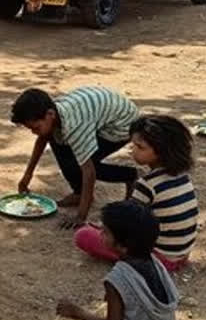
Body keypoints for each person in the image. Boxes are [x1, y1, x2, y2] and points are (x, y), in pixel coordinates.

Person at [73, 115, 198, 273]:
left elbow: (128, 225)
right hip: (182, 254)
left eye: (140, 147)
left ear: (160, 151)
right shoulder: (183, 177)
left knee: (84, 235)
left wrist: (105, 228)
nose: (133, 151)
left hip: (160, 259)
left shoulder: (147, 185)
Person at [11, 87, 140, 230]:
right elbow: (43, 138)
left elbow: (88, 171)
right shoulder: (55, 113)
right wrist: (27, 175)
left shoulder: (75, 126)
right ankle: (79, 192)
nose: (34, 132)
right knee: (57, 139)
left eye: (36, 127)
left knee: (79, 162)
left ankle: (130, 176)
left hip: (122, 125)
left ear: (50, 114)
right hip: (103, 113)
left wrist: (81, 216)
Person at [56, 201, 179, 320]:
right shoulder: (155, 262)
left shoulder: (116, 279)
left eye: (105, 232)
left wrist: (78, 312)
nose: (100, 233)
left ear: (123, 246)